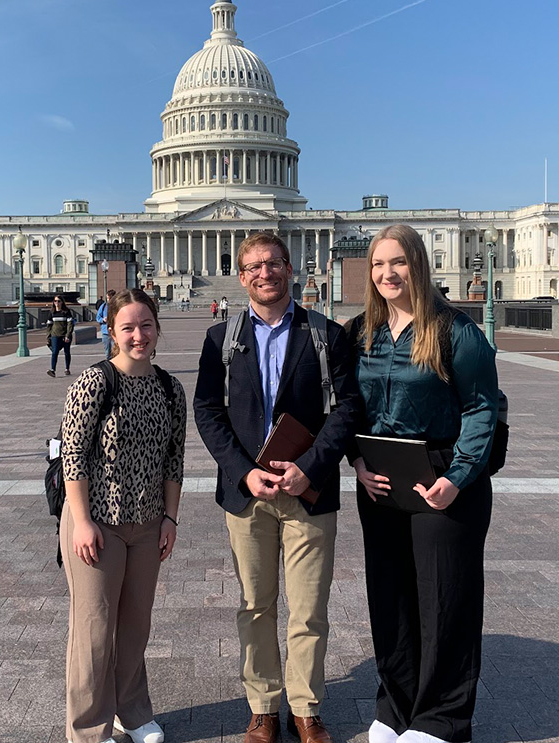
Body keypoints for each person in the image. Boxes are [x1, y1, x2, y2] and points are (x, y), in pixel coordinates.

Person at [193, 233, 359, 743]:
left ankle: (305, 708)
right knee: (255, 604)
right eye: (254, 267)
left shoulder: (327, 334)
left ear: (291, 269)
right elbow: (207, 411)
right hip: (249, 494)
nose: (265, 273)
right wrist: (243, 471)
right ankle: (263, 707)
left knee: (309, 608)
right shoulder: (221, 339)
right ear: (241, 277)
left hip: (309, 491)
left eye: (274, 263)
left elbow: (347, 408)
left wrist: (310, 466)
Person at [346, 224, 499, 743]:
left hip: (443, 474)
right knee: (390, 599)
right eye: (378, 264)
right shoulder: (359, 333)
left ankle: (442, 719)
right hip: (380, 477)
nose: (388, 274)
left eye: (399, 262)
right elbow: (346, 408)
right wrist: (355, 462)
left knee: (444, 599)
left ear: (419, 264)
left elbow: (482, 410)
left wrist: (457, 477)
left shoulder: (456, 332)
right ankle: (396, 706)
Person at [60, 288, 186, 743]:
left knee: (135, 627)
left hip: (148, 523)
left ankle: (131, 713)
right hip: (96, 522)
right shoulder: (95, 382)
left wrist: (170, 520)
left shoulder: (171, 389)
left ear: (157, 328)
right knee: (94, 631)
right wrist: (81, 521)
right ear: (111, 331)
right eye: (128, 327)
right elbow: (72, 452)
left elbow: (175, 459)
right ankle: (88, 729)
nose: (138, 335)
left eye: (146, 325)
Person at [47, 295, 76, 377]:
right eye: (55, 301)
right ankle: (52, 370)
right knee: (55, 352)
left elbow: (70, 324)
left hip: (65, 335)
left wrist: (68, 335)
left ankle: (67, 368)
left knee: (67, 352)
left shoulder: (66, 312)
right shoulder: (52, 312)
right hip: (55, 335)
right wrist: (48, 337)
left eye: (59, 301)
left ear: (62, 302)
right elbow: (49, 325)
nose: (57, 303)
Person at [96, 289, 116, 359]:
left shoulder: (117, 306)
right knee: (107, 352)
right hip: (106, 332)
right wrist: (103, 320)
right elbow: (98, 317)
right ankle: (109, 365)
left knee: (115, 351)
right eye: (107, 298)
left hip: (115, 332)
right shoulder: (103, 306)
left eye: (110, 298)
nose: (108, 300)